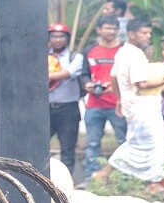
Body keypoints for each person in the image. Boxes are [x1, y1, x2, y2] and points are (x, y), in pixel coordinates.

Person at [94, 19, 164, 186]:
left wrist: (119, 100)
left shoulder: (123, 51)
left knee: (142, 144)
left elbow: (113, 77)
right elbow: (141, 84)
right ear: (131, 33)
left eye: (149, 33)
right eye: (144, 33)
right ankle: (151, 182)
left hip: (135, 106)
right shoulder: (132, 54)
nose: (148, 36)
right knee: (149, 145)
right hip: (142, 107)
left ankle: (149, 181)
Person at [79, 15, 127, 183]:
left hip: (117, 103)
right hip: (94, 104)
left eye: (114, 28)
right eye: (107, 28)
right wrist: (87, 85)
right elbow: (83, 74)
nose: (111, 31)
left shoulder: (124, 50)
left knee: (123, 141)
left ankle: (124, 178)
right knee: (92, 144)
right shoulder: (90, 50)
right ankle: (90, 179)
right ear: (99, 30)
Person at [47, 23, 84, 178]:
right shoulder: (42, 56)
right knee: (39, 145)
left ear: (67, 38)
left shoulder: (75, 57)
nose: (57, 40)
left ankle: (67, 181)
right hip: (46, 108)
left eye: (61, 36)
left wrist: (43, 75)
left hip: (67, 108)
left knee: (67, 148)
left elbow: (68, 73)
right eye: (54, 36)